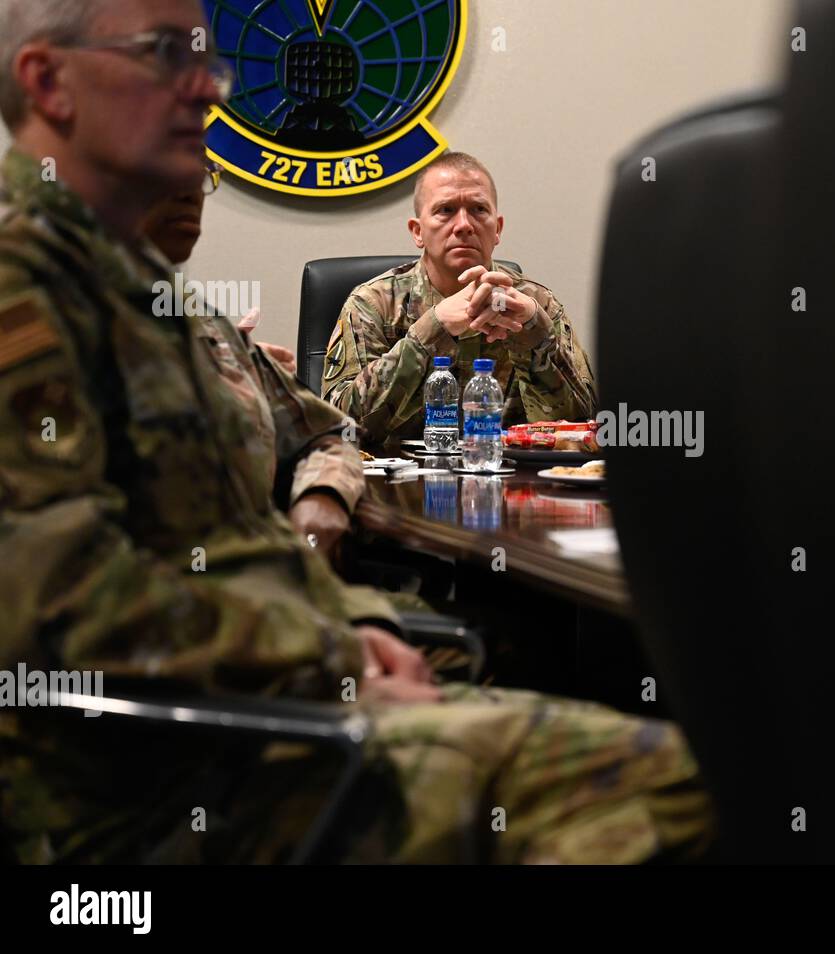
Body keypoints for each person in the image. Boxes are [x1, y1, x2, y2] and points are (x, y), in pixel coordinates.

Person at [0, 0, 710, 864]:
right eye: (163, 54)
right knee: (679, 783)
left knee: (667, 748)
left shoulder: (158, 299)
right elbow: (58, 616)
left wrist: (343, 606)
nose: (204, 92)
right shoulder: (28, 292)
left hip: (278, 698)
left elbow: (321, 437)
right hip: (188, 772)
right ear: (47, 81)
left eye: (209, 65)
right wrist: (330, 651)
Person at [142, 163, 357, 558]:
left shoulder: (208, 325)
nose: (191, 186)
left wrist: (322, 494)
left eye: (200, 168)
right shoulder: (46, 314)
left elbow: (328, 435)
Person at [320, 151, 597, 441]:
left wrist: (534, 333)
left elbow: (583, 429)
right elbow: (338, 428)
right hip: (400, 484)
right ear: (418, 232)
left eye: (478, 209)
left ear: (497, 229)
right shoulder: (373, 304)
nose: (464, 225)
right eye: (446, 210)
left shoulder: (535, 304)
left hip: (512, 481)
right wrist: (431, 330)